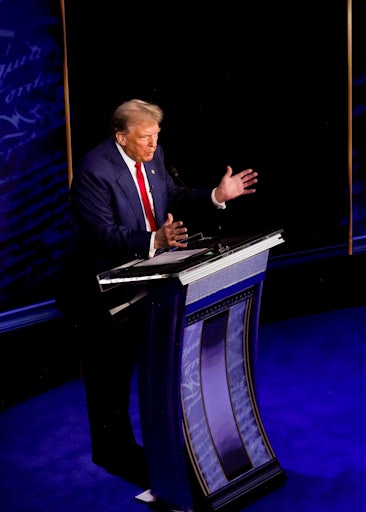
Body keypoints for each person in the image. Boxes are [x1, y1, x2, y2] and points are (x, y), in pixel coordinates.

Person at [56, 99, 259, 488]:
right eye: (145, 138)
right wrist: (155, 240)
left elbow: (175, 197)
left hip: (147, 280)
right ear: (121, 136)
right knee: (109, 378)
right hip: (99, 292)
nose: (152, 146)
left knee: (150, 365)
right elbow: (103, 235)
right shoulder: (93, 171)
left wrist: (217, 195)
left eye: (156, 137)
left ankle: (165, 449)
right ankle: (113, 454)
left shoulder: (155, 155)